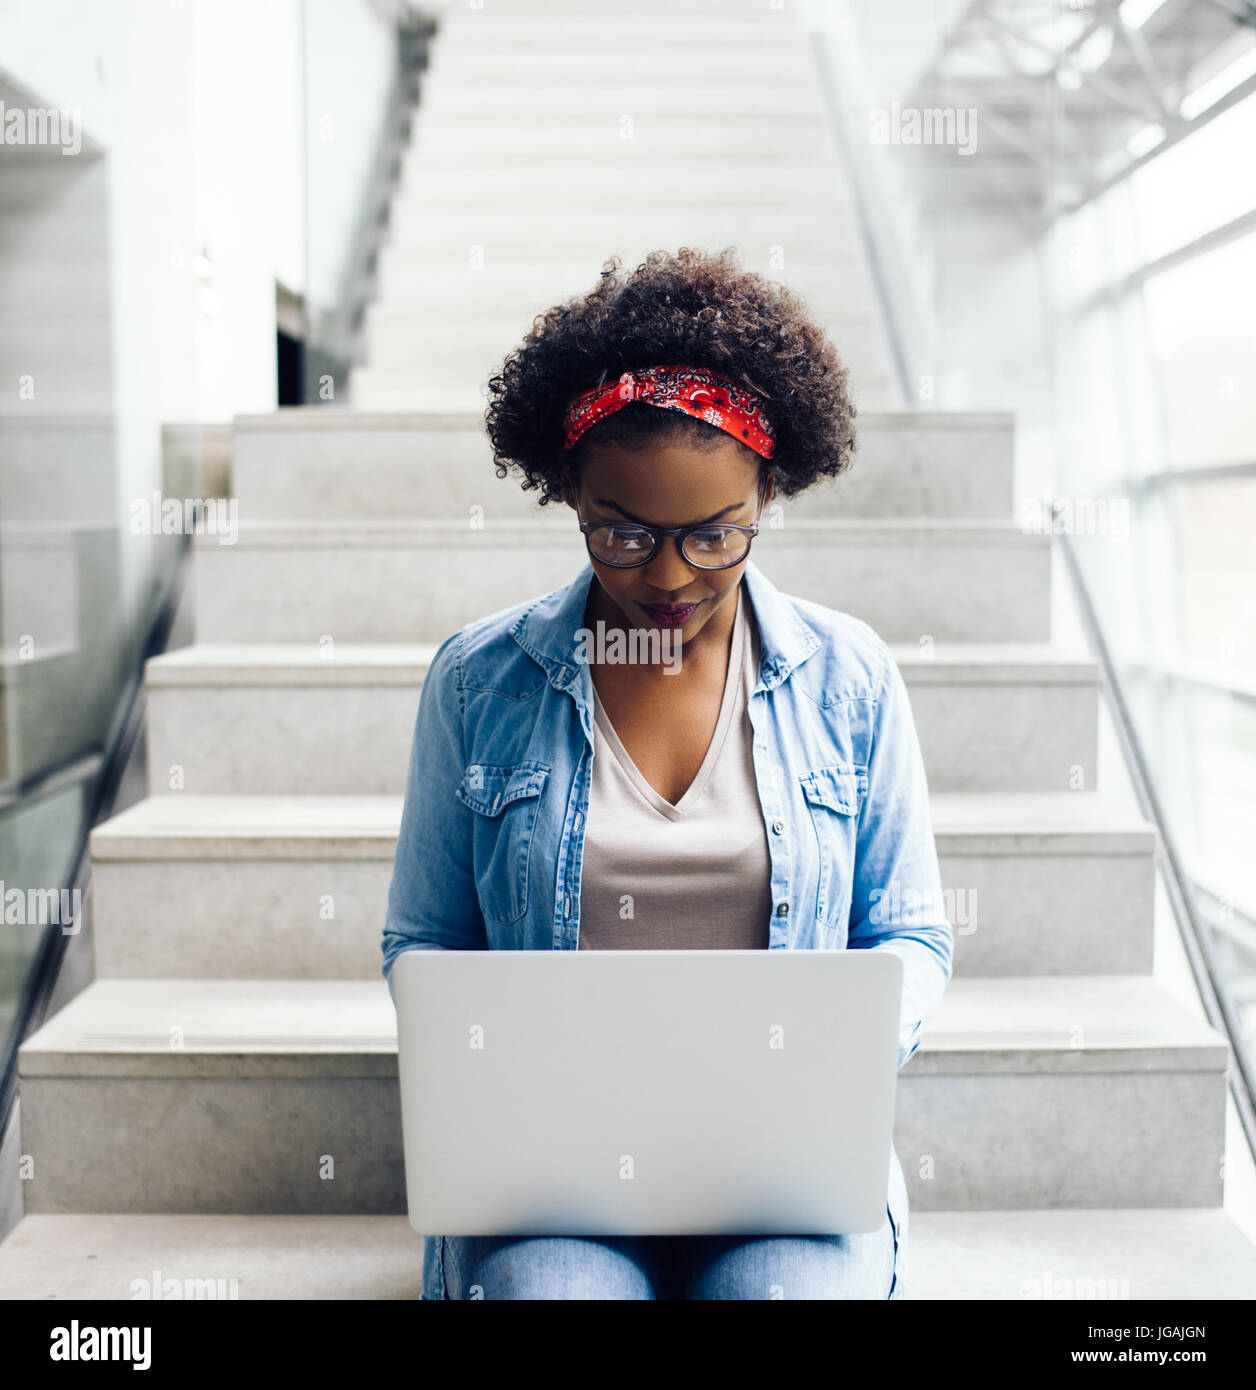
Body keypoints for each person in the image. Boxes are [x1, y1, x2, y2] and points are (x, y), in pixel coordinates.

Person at [382, 247, 953, 1300]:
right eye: (625, 531)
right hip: (553, 1165)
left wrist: (838, 1055)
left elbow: (909, 932)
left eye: (713, 535)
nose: (668, 577)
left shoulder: (849, 679)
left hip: (783, 1161)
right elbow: (424, 938)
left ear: (766, 494)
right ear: (565, 493)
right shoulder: (478, 682)